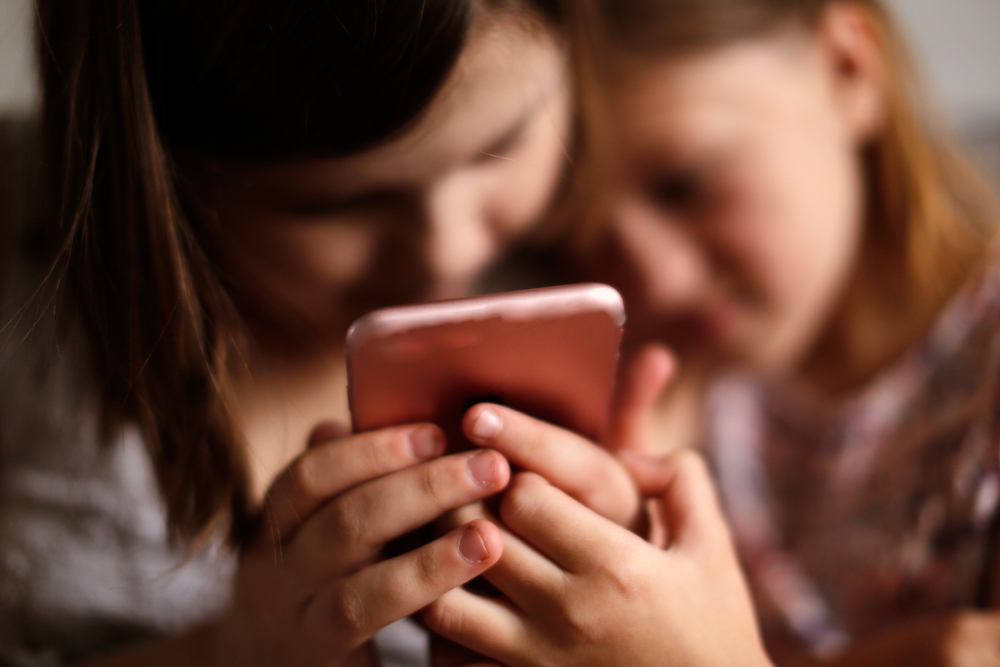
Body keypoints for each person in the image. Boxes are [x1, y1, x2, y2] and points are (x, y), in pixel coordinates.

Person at [1, 1, 777, 666]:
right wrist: (226, 651)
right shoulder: (28, 293)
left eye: (497, 146)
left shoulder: (603, 269)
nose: (445, 249)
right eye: (338, 205)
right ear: (165, 165)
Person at [557, 0, 1000, 664]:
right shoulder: (681, 426)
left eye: (686, 184)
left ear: (848, 69)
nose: (657, 282)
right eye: (581, 238)